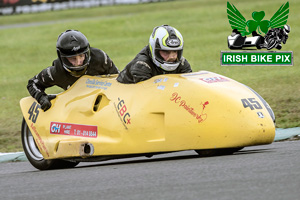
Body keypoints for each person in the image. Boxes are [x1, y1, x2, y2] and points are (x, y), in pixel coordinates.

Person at [27, 29, 119, 111]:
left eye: (81, 56)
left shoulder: (100, 58)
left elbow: (118, 80)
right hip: (76, 109)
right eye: (73, 58)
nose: (79, 62)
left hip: (105, 105)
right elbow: (32, 83)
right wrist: (42, 98)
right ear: (63, 58)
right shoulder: (57, 71)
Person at [117, 25, 192, 84]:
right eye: (166, 52)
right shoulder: (141, 66)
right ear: (155, 50)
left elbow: (189, 85)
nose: (172, 57)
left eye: (175, 51)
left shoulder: (182, 63)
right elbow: (148, 96)